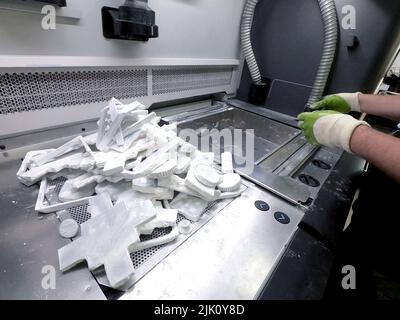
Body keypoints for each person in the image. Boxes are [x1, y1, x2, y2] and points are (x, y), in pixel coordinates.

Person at [298, 93, 400, 299]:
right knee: (345, 279)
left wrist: (345, 132)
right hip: (368, 234)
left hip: (390, 265)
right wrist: (355, 101)